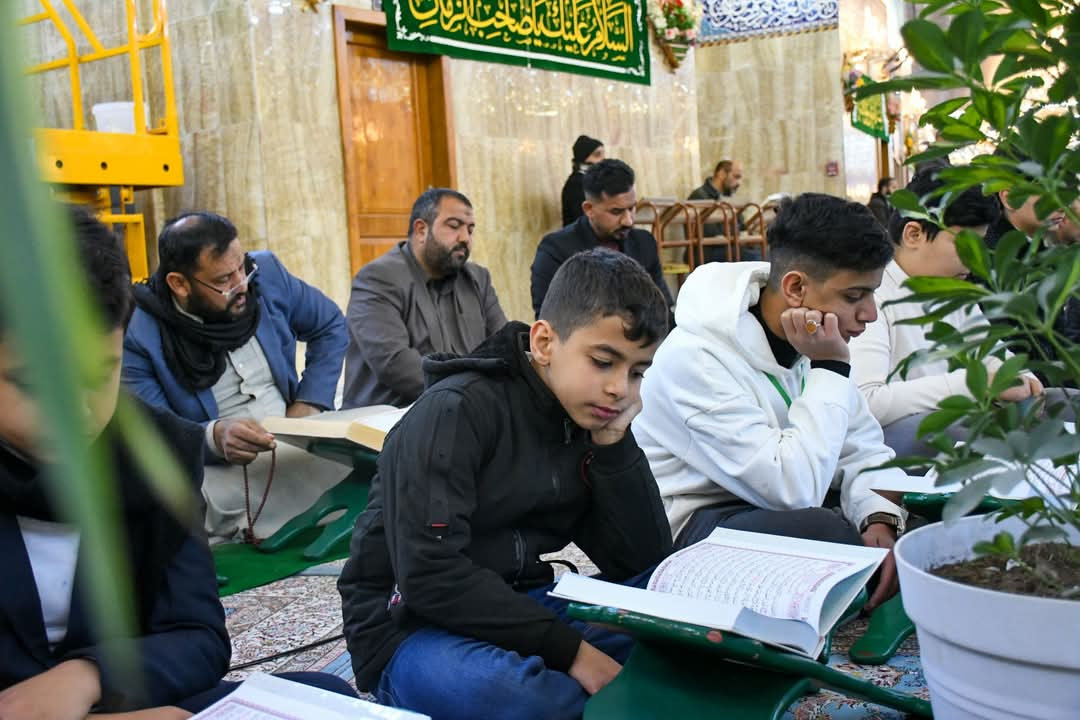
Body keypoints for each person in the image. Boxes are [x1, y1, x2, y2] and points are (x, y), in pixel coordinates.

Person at [0, 208, 355, 718]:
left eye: (99, 375)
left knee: (325, 697)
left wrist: (89, 676)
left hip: (118, 696)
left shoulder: (154, 454)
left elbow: (198, 638)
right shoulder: (152, 335)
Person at [338, 249, 673, 720]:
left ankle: (600, 694)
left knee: (681, 614)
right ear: (544, 342)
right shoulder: (455, 411)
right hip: (414, 627)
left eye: (637, 372)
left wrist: (614, 446)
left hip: (524, 605)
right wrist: (576, 654)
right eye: (603, 362)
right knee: (521, 696)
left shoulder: (587, 417)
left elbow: (643, 562)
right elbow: (429, 576)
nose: (621, 389)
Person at [632, 193, 909, 614]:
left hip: (777, 505)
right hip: (696, 527)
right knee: (826, 535)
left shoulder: (816, 341)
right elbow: (791, 492)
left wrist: (878, 518)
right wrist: (830, 369)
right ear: (796, 287)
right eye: (855, 296)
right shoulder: (696, 357)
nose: (870, 314)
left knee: (906, 528)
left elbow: (866, 451)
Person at [122, 211, 350, 541]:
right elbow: (154, 431)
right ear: (179, 284)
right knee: (170, 506)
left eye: (242, 268)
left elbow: (329, 325)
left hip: (298, 445)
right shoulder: (138, 332)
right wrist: (214, 437)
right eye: (223, 280)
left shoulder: (266, 273)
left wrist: (309, 404)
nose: (242, 284)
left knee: (379, 471)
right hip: (218, 470)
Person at [849, 169, 1042, 457]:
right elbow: (867, 400)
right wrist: (974, 384)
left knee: (1064, 404)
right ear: (914, 234)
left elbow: (990, 352)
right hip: (898, 448)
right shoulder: (871, 298)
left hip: (960, 428)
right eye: (964, 244)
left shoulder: (954, 293)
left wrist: (1021, 376)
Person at [342, 188, 507, 409]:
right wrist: (473, 393)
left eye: (470, 229)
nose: (465, 238)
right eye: (454, 226)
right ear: (421, 230)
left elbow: (504, 348)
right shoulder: (377, 278)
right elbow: (395, 364)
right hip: (389, 419)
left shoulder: (478, 279)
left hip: (468, 410)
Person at [532, 159, 674, 319]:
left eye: (632, 208)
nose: (628, 221)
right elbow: (550, 320)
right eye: (616, 211)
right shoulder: (556, 251)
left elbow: (663, 310)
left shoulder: (644, 243)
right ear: (589, 209)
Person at [688, 160, 746, 263]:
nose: (739, 183)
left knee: (764, 250)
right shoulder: (699, 196)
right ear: (722, 174)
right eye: (736, 177)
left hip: (728, 247)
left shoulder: (729, 197)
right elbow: (710, 232)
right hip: (707, 251)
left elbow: (741, 226)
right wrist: (737, 233)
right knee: (754, 255)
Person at [560, 135, 605, 227]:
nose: (602, 160)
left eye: (603, 155)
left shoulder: (588, 180)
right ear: (583, 158)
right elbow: (582, 219)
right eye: (597, 155)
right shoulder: (577, 183)